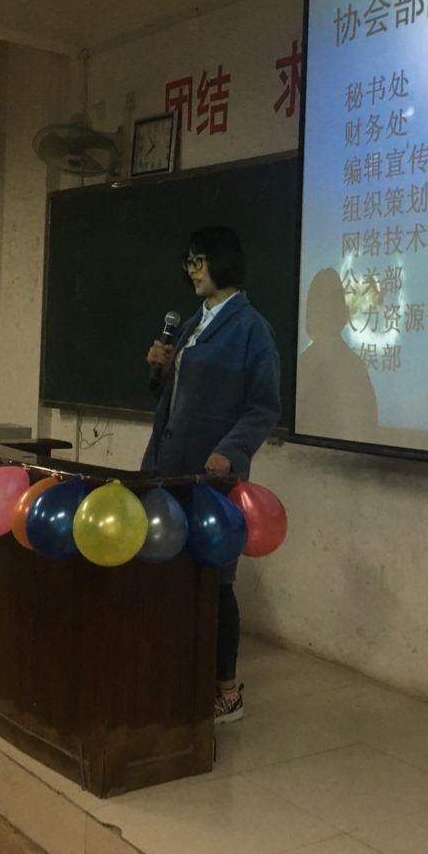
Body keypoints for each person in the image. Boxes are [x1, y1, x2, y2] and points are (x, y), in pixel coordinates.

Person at [142, 225, 282, 725]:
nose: (192, 270)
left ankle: (226, 691)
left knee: (215, 581)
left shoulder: (251, 328)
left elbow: (264, 406)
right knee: (170, 573)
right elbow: (174, 398)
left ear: (224, 261)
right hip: (167, 468)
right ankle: (179, 671)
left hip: (210, 477)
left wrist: (230, 450)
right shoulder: (191, 324)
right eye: (189, 261)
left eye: (200, 260)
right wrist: (159, 369)